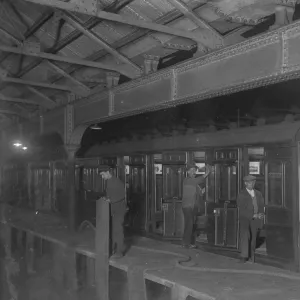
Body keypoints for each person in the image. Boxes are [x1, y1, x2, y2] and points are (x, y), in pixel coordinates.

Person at [182, 163, 211, 248]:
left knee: (193, 225)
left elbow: (200, 193)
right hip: (187, 206)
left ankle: (191, 243)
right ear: (187, 172)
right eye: (191, 170)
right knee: (189, 224)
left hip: (193, 206)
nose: (193, 172)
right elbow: (198, 180)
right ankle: (186, 243)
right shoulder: (187, 180)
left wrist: (204, 191)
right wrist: (207, 173)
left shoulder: (195, 184)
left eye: (194, 170)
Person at [99, 167, 126, 259]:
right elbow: (110, 195)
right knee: (113, 230)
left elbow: (121, 195)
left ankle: (119, 252)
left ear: (107, 172)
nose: (102, 177)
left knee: (118, 230)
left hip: (118, 211)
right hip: (112, 210)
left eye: (103, 174)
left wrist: (110, 200)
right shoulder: (109, 182)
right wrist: (106, 198)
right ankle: (113, 249)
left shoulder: (117, 182)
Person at [237, 175, 264, 263]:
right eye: (249, 183)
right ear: (245, 183)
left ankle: (252, 255)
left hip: (255, 219)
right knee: (245, 236)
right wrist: (252, 215)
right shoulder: (241, 194)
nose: (251, 184)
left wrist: (260, 214)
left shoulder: (258, 194)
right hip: (245, 219)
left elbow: (261, 206)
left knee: (254, 238)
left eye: (252, 182)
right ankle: (244, 256)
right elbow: (241, 210)